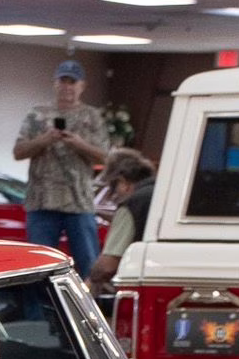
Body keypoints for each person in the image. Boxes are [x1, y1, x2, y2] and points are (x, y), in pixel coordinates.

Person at [13, 60, 110, 278]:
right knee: (39, 265)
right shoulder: (37, 114)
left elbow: (104, 156)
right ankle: (38, 311)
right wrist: (44, 140)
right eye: (63, 81)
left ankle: (92, 307)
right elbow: (18, 152)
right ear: (55, 83)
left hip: (78, 202)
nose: (67, 87)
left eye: (72, 82)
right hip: (41, 201)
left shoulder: (92, 116)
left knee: (88, 262)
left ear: (82, 86)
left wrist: (77, 143)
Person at [88, 148, 156, 296]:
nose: (115, 195)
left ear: (122, 182)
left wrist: (87, 284)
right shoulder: (160, 193)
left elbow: (107, 266)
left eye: (113, 188)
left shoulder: (132, 204)